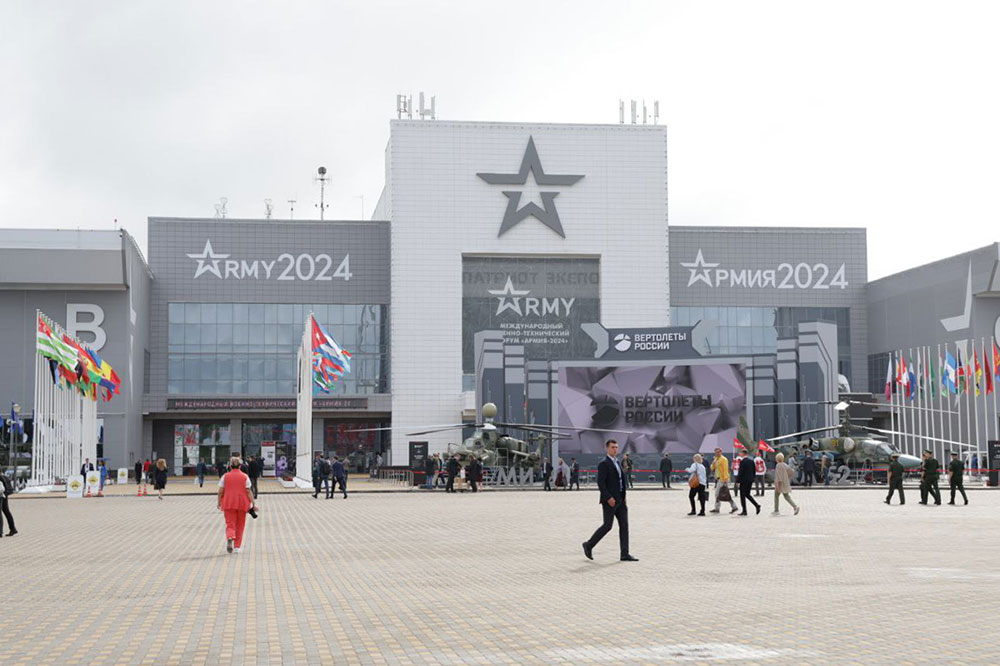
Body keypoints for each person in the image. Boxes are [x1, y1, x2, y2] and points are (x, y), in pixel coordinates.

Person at [582, 440, 637, 562]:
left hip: (621, 501)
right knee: (607, 526)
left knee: (624, 526)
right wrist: (608, 497)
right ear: (607, 448)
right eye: (613, 447)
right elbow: (600, 483)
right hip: (610, 501)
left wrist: (624, 497)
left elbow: (621, 481)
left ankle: (624, 553)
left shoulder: (617, 462)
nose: (615, 449)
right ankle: (589, 545)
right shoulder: (604, 463)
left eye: (617, 447)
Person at [217, 456, 255, 554]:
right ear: (240, 465)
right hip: (242, 504)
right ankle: (237, 547)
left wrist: (219, 502)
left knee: (230, 523)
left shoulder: (225, 476)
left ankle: (230, 537)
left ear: (230, 466)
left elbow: (220, 491)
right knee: (240, 525)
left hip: (228, 503)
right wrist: (253, 503)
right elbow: (248, 491)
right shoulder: (244, 477)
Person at [709, 448, 738, 514]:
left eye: (718, 452)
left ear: (721, 452)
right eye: (716, 452)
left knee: (720, 493)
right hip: (718, 479)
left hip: (722, 479)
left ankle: (718, 508)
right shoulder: (716, 459)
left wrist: (725, 479)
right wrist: (713, 463)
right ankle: (732, 507)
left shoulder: (723, 459)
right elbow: (712, 468)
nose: (717, 453)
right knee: (723, 494)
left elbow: (725, 469)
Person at [737, 450, 761, 515]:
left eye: (741, 453)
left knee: (742, 496)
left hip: (743, 481)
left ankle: (744, 510)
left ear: (744, 453)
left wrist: (737, 481)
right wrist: (752, 478)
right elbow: (754, 470)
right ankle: (756, 505)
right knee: (747, 494)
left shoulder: (742, 462)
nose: (740, 454)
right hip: (750, 480)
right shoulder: (751, 461)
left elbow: (740, 472)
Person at [0, 472, 17, 537]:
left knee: (3, 512)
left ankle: (0, 531)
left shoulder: (1, 477)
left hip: (1, 495)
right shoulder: (3, 476)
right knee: (6, 511)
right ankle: (13, 528)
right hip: (4, 495)